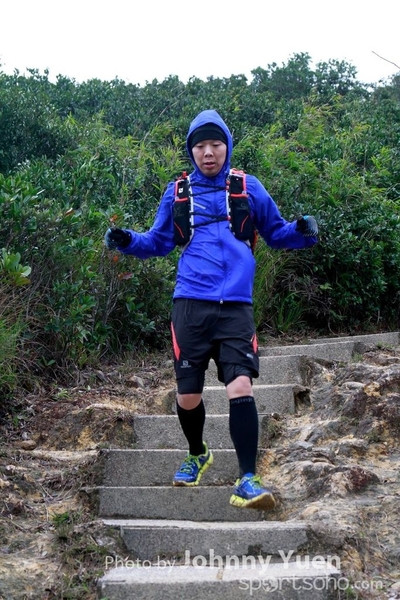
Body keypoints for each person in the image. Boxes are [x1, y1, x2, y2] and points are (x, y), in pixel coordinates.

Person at [104, 109, 318, 510]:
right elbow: (158, 242)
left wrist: (302, 231)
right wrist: (127, 240)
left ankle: (248, 478)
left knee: (241, 386)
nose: (208, 152)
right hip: (190, 303)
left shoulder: (248, 187)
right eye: (200, 146)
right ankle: (197, 452)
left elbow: (276, 233)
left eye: (215, 144)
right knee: (188, 395)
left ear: (227, 146)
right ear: (191, 151)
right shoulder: (178, 192)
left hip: (235, 305)